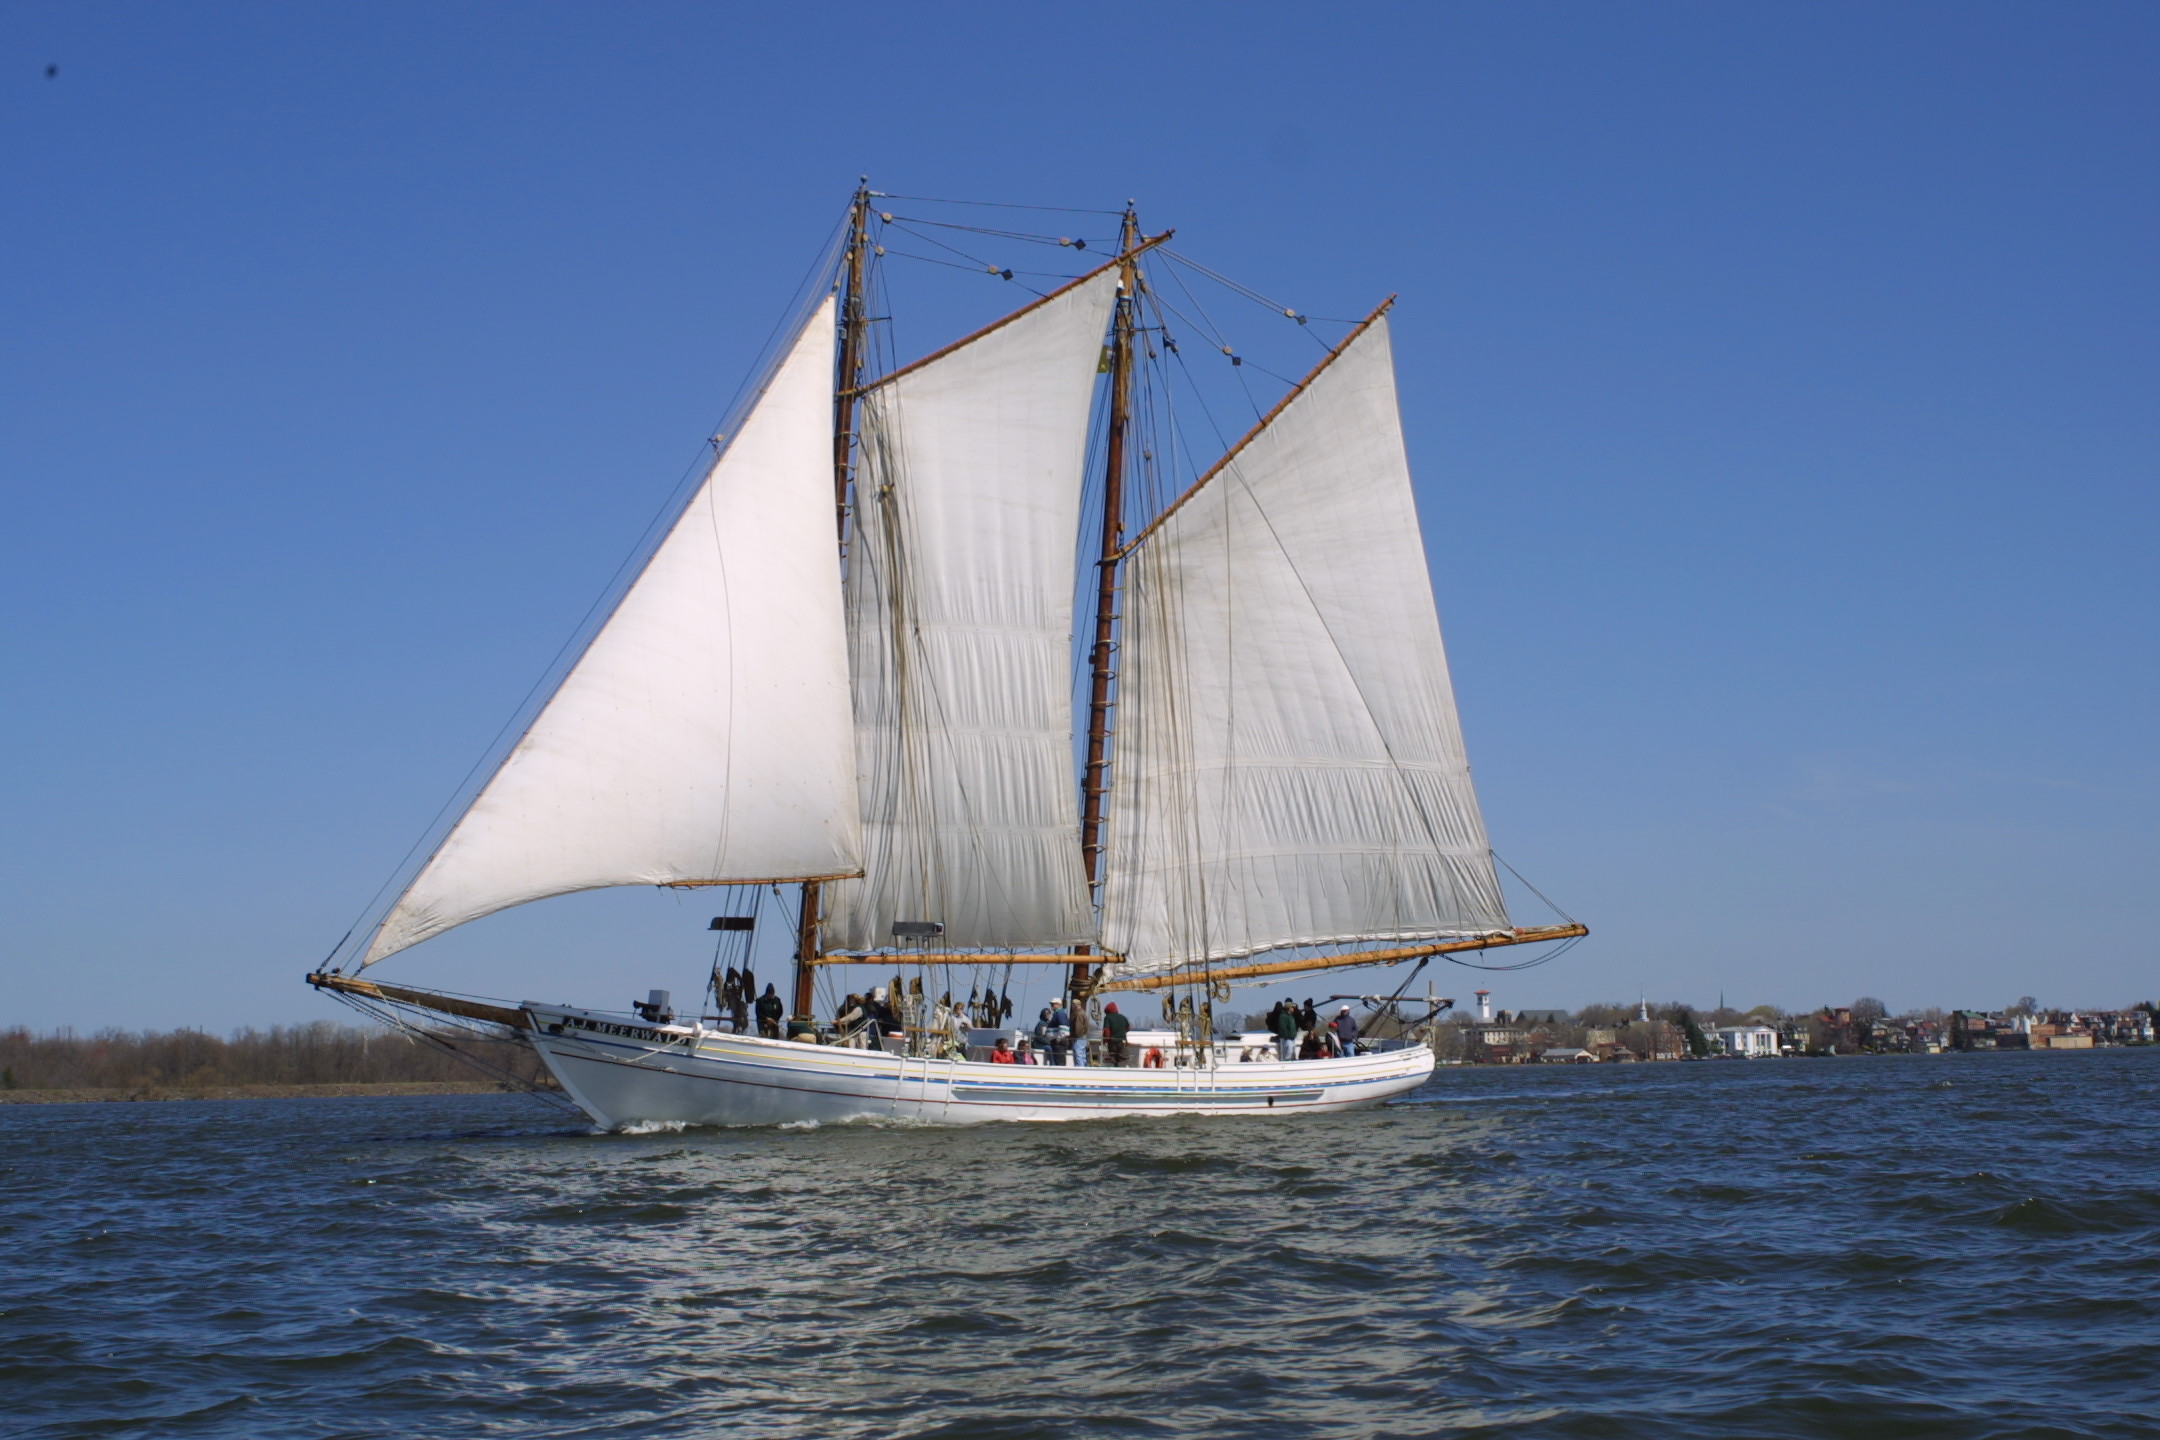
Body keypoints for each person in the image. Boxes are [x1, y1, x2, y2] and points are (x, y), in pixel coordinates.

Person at [1102, 1001, 1132, 1067]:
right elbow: (1128, 1028)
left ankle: (1116, 1071)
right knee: (1123, 1060)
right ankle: (1121, 1071)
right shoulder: (1123, 1017)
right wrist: (1121, 1032)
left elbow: (1106, 1031)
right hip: (1123, 1042)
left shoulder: (1107, 1018)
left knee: (1113, 1060)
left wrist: (1105, 1041)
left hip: (1112, 1043)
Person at [1272, 997, 1300, 1061]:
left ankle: (1291, 1061)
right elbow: (1283, 1028)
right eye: (1292, 1007)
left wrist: (1294, 1034)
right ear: (1288, 1008)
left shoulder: (1291, 1016)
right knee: (1288, 1052)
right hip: (1287, 1039)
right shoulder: (1283, 1016)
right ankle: (1287, 1062)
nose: (1293, 1009)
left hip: (1292, 1038)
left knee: (1292, 1052)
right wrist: (1287, 1036)